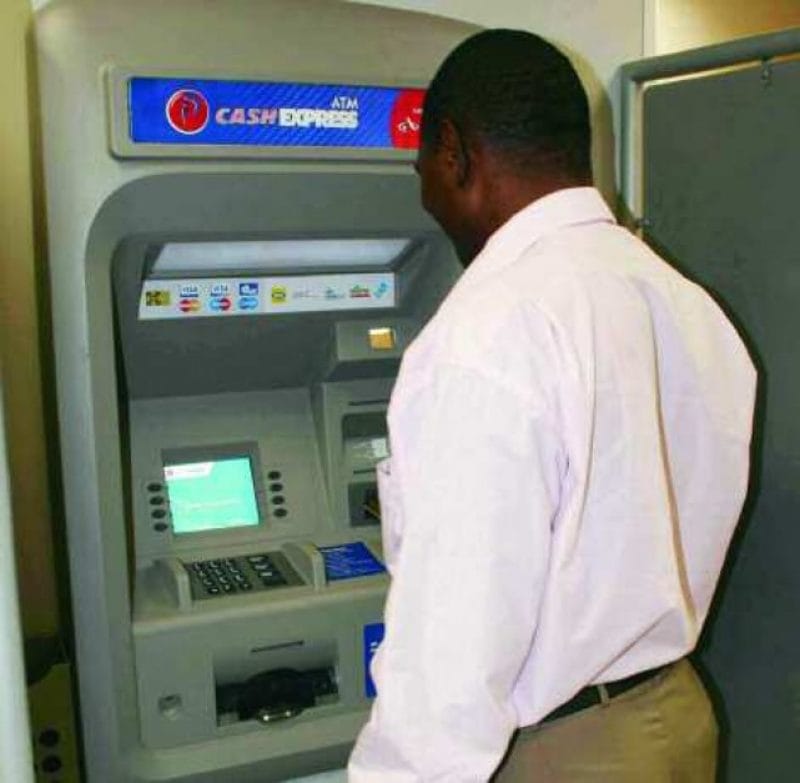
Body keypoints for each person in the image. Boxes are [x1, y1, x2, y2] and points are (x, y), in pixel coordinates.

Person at [348, 29, 756, 782]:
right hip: (675, 718)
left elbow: (454, 652)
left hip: (563, 752)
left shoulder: (487, 334)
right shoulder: (684, 303)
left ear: (454, 152)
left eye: (421, 169)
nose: (425, 196)